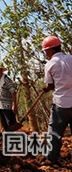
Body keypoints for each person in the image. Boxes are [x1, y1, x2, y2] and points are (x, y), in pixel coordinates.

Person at [41, 35, 72, 166]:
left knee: (54, 133)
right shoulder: (71, 58)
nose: (46, 54)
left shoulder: (50, 65)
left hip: (61, 104)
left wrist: (47, 89)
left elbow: (50, 85)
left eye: (45, 51)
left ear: (50, 50)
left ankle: (51, 159)